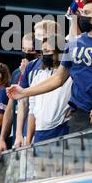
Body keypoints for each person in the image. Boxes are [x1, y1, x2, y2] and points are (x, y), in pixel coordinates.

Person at [8, 0, 92, 132]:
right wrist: (24, 92)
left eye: (87, 13)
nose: (82, 16)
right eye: (82, 12)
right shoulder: (73, 43)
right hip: (78, 115)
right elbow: (58, 78)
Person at [13, 20, 60, 148]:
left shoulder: (64, 64)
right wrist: (18, 134)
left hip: (57, 125)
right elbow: (24, 102)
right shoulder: (31, 67)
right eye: (36, 36)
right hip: (32, 129)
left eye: (41, 36)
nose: (37, 40)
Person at [27, 37, 72, 144]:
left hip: (61, 128)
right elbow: (32, 110)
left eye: (47, 51)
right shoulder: (38, 77)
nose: (44, 55)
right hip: (40, 132)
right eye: (43, 52)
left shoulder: (70, 75)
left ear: (58, 52)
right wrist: (28, 139)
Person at [0, 33, 38, 153]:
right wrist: (2, 138)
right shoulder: (16, 73)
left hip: (35, 129)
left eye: (30, 50)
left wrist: (26, 74)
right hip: (17, 132)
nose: (26, 53)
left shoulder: (40, 69)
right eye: (23, 49)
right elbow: (10, 106)